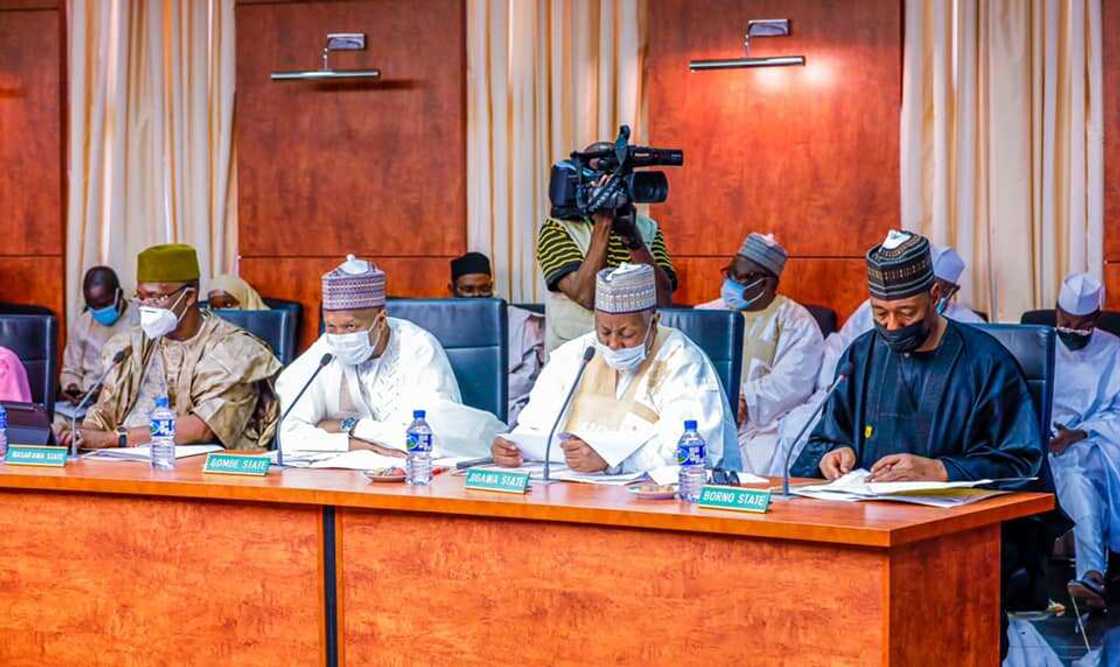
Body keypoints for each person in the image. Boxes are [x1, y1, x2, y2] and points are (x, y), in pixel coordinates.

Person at [791, 230, 1042, 483]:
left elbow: (1021, 462)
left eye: (906, 313)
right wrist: (831, 454)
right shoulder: (861, 355)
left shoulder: (985, 362)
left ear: (934, 296)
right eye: (880, 313)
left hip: (952, 518)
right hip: (867, 512)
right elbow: (827, 437)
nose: (892, 326)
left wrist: (941, 470)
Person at [491, 263, 735, 474]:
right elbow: (536, 426)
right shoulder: (577, 355)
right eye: (604, 331)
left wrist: (611, 461)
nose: (614, 344)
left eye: (627, 333)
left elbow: (692, 450)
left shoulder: (681, 360)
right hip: (574, 492)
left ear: (654, 320)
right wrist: (512, 448)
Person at [68, 244, 282, 450]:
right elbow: (104, 411)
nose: (145, 306)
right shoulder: (130, 346)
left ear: (188, 296)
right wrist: (85, 435)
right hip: (129, 465)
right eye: (140, 297)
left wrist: (113, 439)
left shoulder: (237, 351)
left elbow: (203, 428)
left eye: (155, 298)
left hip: (205, 473)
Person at [277, 255, 466, 456]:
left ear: (381, 320)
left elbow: (428, 436)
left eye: (350, 326)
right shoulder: (325, 350)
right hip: (343, 476)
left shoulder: (418, 347)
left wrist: (349, 427)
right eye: (331, 326)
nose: (339, 336)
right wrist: (365, 445)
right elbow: (289, 435)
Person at [697, 232, 823, 474]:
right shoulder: (708, 313)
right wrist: (722, 401)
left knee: (760, 460)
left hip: (762, 424)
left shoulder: (797, 322)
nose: (730, 283)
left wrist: (745, 398)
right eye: (729, 274)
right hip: (708, 412)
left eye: (740, 278)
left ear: (765, 283)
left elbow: (792, 384)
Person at [536, 142, 677, 354]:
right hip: (577, 360)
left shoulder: (647, 229)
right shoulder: (556, 229)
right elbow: (587, 296)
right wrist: (604, 224)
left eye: (616, 177)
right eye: (601, 178)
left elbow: (663, 300)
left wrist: (632, 239)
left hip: (636, 355)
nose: (610, 185)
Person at [1045, 273, 1120, 610]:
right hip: (1043, 443)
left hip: (1096, 441)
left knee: (1079, 468)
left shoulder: (1114, 349)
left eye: (1081, 326)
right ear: (1056, 311)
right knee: (1073, 471)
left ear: (1096, 319)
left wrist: (1079, 433)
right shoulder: (1042, 341)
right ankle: (1093, 574)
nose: (1071, 331)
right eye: (1065, 322)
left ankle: (1093, 574)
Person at [834, 243, 984, 360]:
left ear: (951, 290)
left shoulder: (971, 321)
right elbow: (839, 346)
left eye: (941, 288)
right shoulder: (873, 307)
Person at [449, 252, 544, 426]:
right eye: (468, 290)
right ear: (452, 290)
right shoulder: (442, 323)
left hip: (515, 414)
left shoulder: (523, 322)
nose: (477, 296)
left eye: (484, 289)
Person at [59, 266, 132, 404]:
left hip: (126, 401)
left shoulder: (140, 320)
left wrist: (106, 391)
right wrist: (72, 387)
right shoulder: (83, 323)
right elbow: (70, 370)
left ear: (119, 294)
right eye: (94, 306)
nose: (100, 310)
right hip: (88, 402)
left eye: (104, 304)